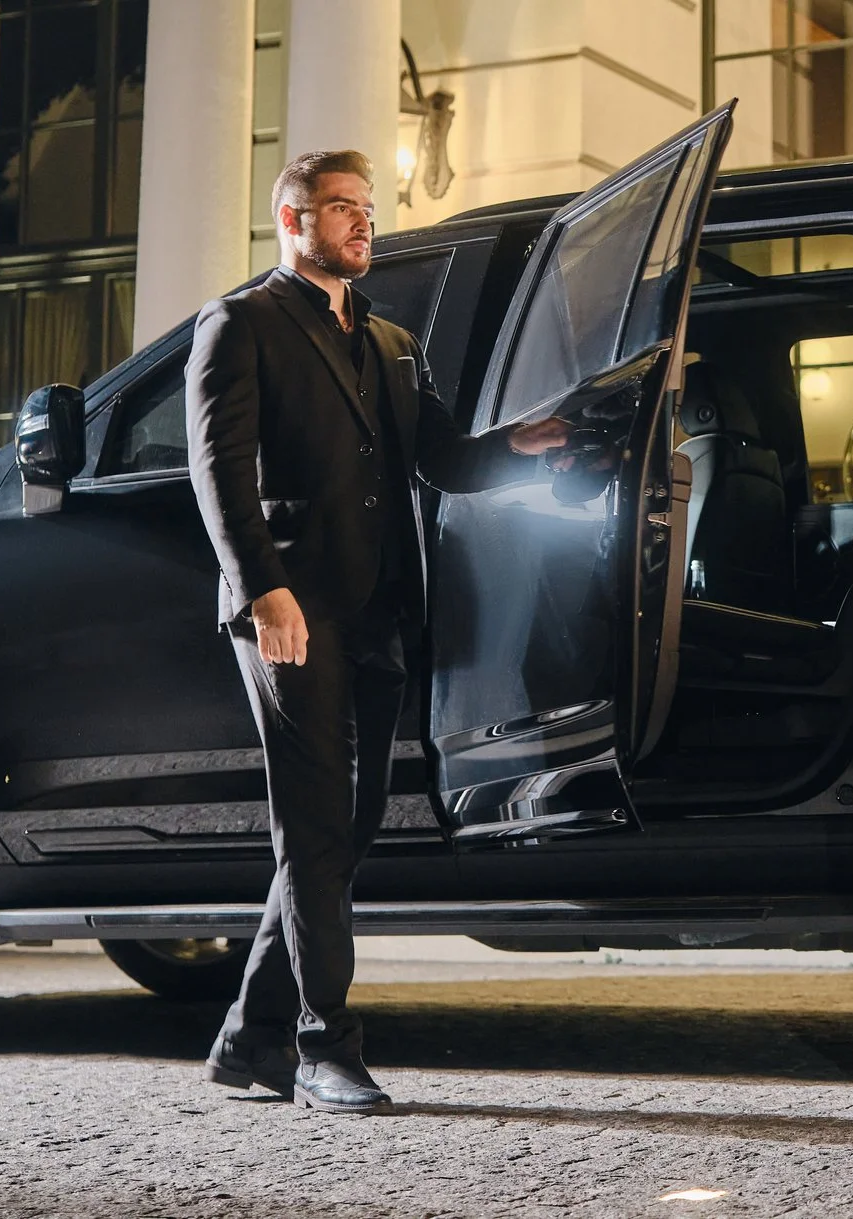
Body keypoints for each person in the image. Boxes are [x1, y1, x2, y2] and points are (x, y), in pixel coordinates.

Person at [186, 149, 568, 1114]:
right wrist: (262, 590)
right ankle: (325, 1044)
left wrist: (515, 450)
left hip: (378, 613)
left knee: (342, 831)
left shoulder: (394, 340)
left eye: (368, 207)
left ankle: (249, 1038)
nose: (364, 223)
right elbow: (217, 473)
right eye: (343, 208)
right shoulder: (240, 324)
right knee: (314, 826)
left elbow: (436, 459)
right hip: (290, 615)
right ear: (292, 220)